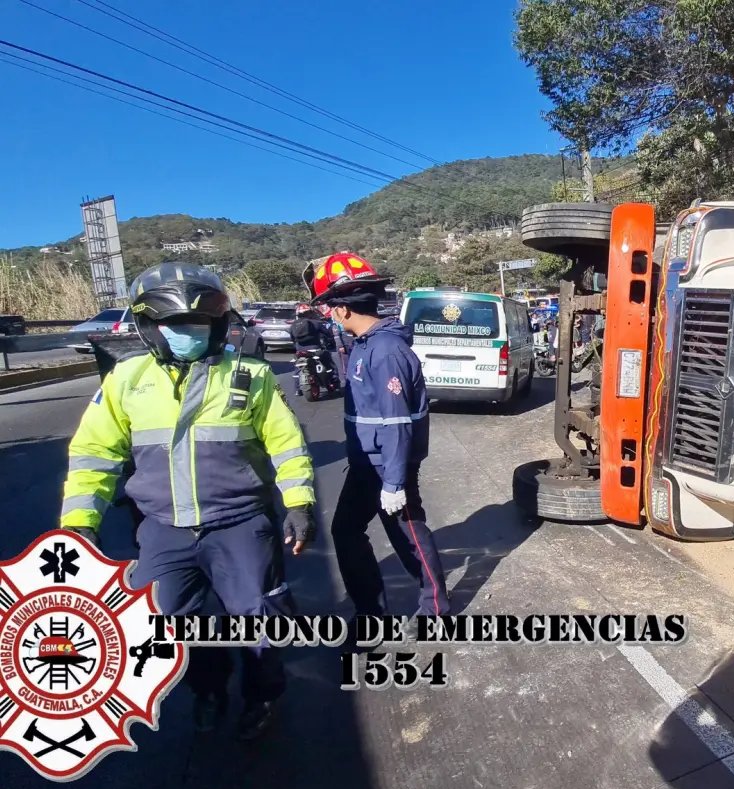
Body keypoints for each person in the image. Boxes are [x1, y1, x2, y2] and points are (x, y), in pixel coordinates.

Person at [59, 263, 315, 738]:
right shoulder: (126, 380)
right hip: (162, 527)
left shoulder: (250, 375)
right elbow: (94, 453)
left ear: (218, 326)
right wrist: (79, 524)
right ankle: (208, 689)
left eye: (198, 325)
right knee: (173, 623)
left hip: (239, 522)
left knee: (258, 618)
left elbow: (288, 444)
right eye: (175, 327)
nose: (187, 334)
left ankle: (261, 698)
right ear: (150, 328)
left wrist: (299, 504)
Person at [308, 253, 450, 628]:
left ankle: (436, 610)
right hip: (366, 462)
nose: (328, 316)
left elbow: (398, 422)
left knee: (410, 536)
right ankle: (370, 612)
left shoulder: (386, 351)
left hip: (386, 465)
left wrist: (394, 482)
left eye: (328, 308)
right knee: (347, 531)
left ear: (341, 310)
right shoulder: (366, 344)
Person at [288, 303, 340, 396]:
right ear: (310, 313)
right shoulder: (317, 323)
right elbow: (328, 334)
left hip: (300, 351)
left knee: (298, 368)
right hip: (316, 350)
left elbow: (292, 339)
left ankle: (297, 389)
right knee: (330, 364)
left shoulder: (293, 325)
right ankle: (334, 382)